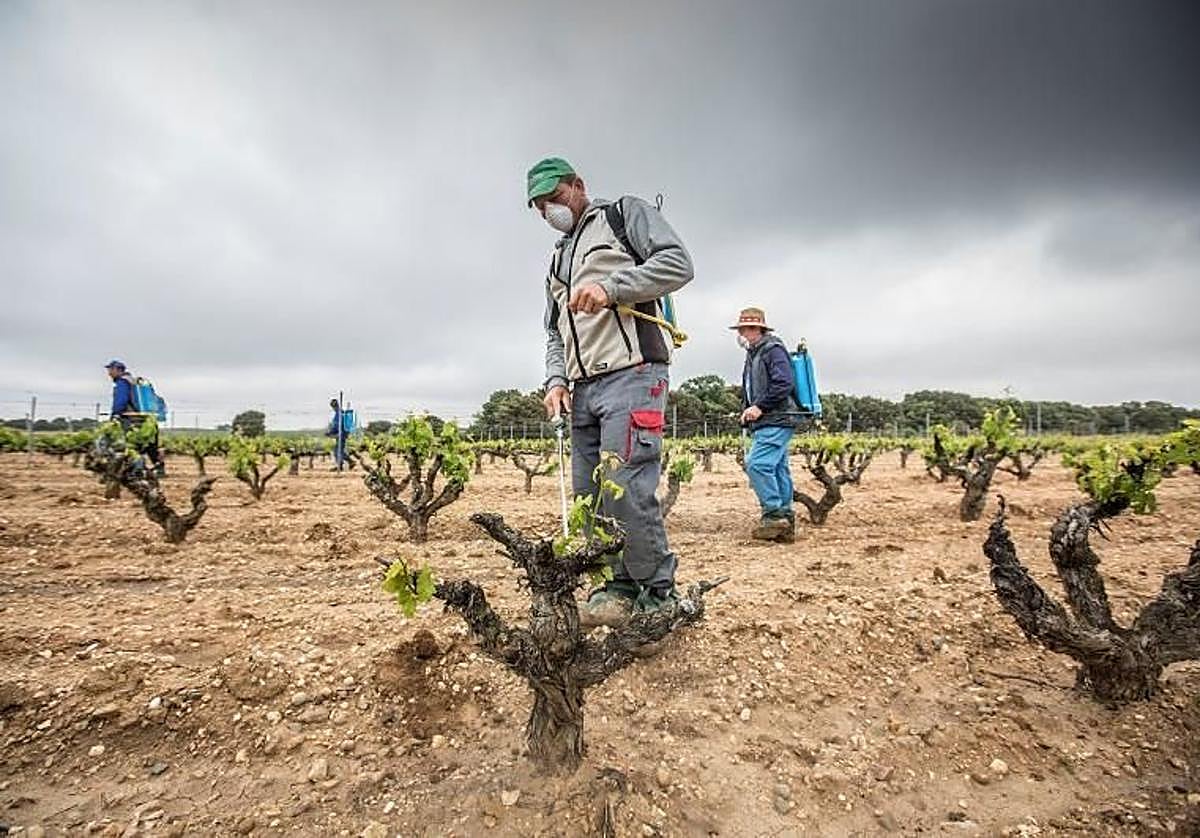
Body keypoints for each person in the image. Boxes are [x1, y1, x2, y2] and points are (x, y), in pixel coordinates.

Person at [528, 156, 694, 627]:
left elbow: (678, 263)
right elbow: (555, 332)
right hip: (582, 389)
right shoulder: (558, 260)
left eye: (554, 198)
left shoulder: (623, 215)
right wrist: (556, 380)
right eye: (540, 207)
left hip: (633, 372)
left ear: (578, 185)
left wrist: (612, 287)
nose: (549, 211)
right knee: (590, 493)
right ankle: (618, 585)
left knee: (625, 487)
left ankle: (659, 594)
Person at [732, 307, 800, 543]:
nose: (742, 334)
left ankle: (773, 516)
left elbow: (784, 383)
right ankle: (785, 521)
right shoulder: (754, 353)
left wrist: (759, 407)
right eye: (741, 329)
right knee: (778, 468)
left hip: (777, 417)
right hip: (769, 419)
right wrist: (747, 410)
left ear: (758, 329)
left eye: (746, 329)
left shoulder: (772, 350)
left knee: (758, 465)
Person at [105, 359, 165, 476]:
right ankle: (159, 468)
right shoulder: (135, 382)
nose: (109, 373)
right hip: (145, 418)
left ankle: (136, 469)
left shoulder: (123, 383)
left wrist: (115, 415)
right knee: (150, 445)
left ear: (118, 370)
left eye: (111, 370)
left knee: (129, 445)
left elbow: (121, 401)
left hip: (130, 418)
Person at [325, 398, 350, 470]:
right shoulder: (340, 413)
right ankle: (348, 462)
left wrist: (330, 432)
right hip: (341, 434)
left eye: (333, 406)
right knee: (340, 450)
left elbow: (337, 425)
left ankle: (341, 466)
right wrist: (330, 432)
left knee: (337, 451)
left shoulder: (339, 414)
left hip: (341, 435)